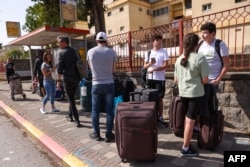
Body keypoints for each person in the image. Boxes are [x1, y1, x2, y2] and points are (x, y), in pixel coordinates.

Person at [174, 33, 210, 157]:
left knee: (188, 118)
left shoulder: (179, 59)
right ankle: (185, 148)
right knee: (190, 120)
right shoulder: (200, 58)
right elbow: (205, 80)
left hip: (183, 93)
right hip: (195, 93)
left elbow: (176, 79)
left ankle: (187, 140)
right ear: (196, 45)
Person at [87, 32, 117, 142]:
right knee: (109, 110)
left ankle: (96, 133)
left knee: (95, 110)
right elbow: (113, 70)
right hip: (109, 83)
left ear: (96, 41)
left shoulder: (90, 52)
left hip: (96, 84)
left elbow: (91, 68)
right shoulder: (112, 52)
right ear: (106, 40)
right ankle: (109, 134)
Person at [197, 22, 229, 118]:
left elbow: (226, 64)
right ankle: (203, 126)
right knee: (200, 103)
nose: (203, 35)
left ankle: (209, 126)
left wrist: (218, 79)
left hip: (212, 80)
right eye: (202, 33)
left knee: (209, 104)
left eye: (205, 33)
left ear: (213, 33)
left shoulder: (220, 44)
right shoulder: (200, 44)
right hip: (200, 80)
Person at [143, 34, 169, 127]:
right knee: (150, 98)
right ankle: (151, 116)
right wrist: (150, 63)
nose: (159, 42)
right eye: (157, 40)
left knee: (159, 98)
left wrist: (155, 69)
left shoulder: (164, 52)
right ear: (153, 41)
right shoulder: (148, 52)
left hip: (160, 79)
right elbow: (145, 66)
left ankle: (160, 117)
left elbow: (165, 65)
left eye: (160, 40)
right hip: (150, 79)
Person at [56, 36, 82, 128]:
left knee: (71, 100)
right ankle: (70, 116)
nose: (58, 44)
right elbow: (80, 63)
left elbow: (59, 69)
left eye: (59, 42)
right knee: (72, 98)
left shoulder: (61, 53)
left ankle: (77, 120)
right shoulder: (74, 50)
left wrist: (58, 82)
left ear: (64, 42)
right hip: (76, 78)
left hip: (67, 79)